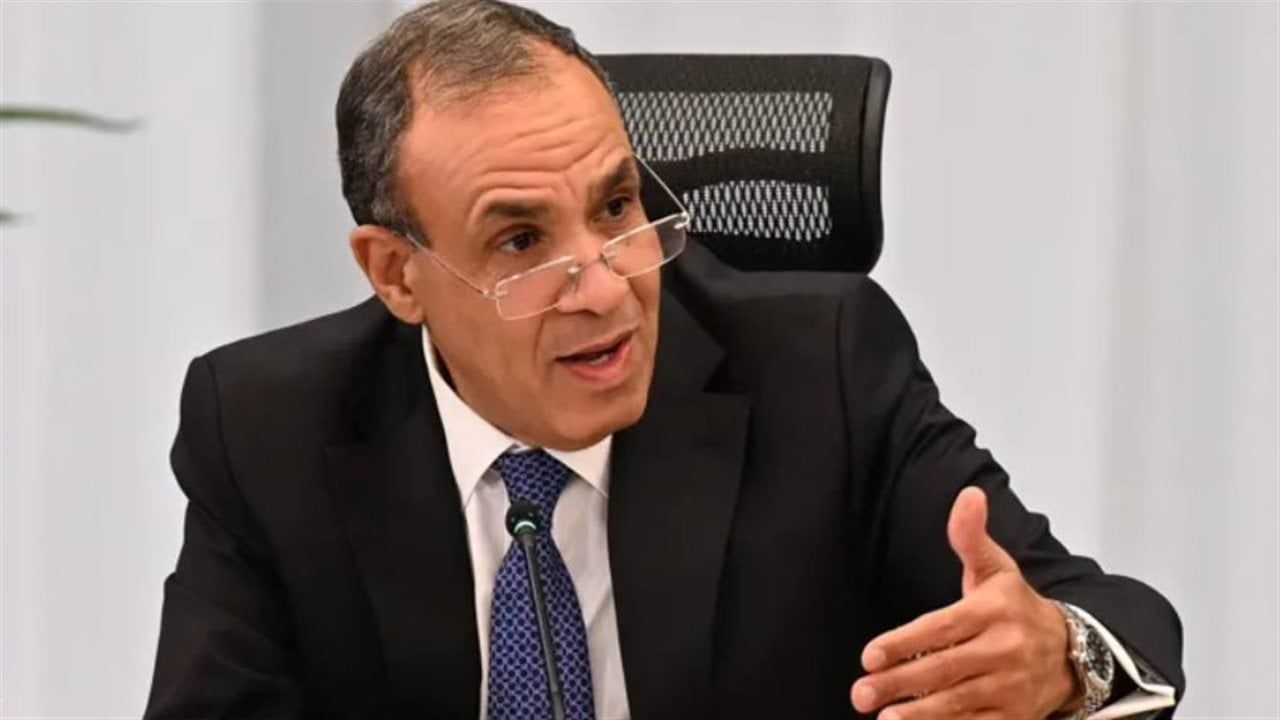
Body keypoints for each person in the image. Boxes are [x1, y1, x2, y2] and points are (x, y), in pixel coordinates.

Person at [144, 1, 1184, 718]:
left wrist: (1063, 659)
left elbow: (1116, 616)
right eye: (520, 242)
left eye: (615, 207)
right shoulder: (267, 427)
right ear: (396, 275)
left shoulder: (817, 370)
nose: (603, 287)